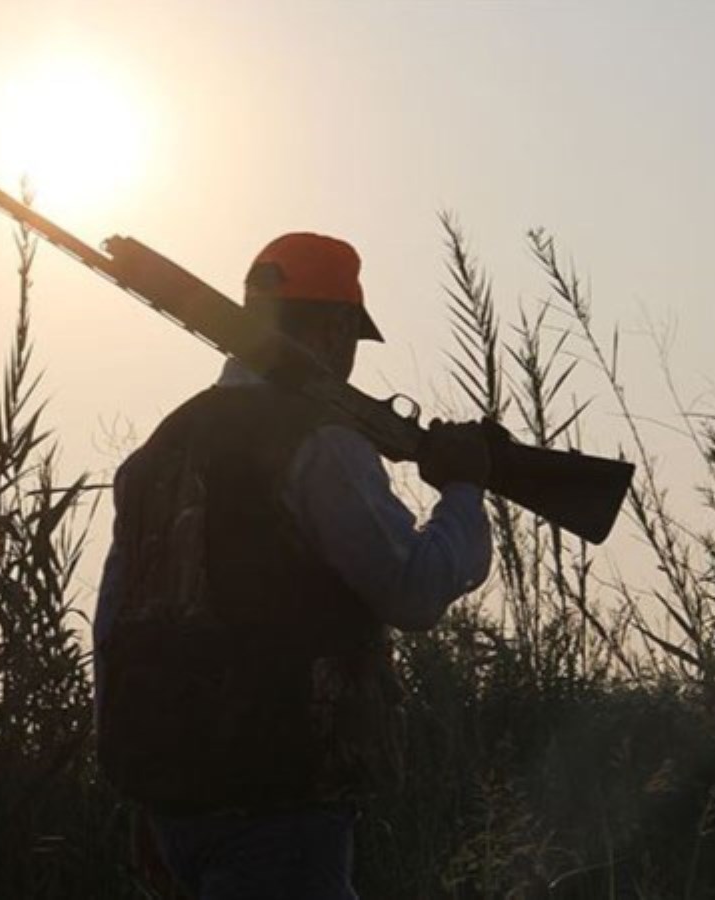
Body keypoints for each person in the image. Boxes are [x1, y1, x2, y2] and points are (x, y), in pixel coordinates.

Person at [94, 232, 493, 899]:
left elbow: (116, 631)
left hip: (175, 803)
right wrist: (463, 488)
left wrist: (143, 795)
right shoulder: (320, 442)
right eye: (350, 338)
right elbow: (415, 593)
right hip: (280, 798)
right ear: (336, 330)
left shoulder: (158, 450)